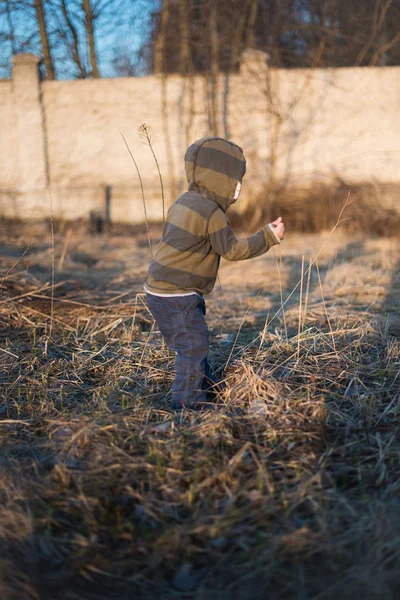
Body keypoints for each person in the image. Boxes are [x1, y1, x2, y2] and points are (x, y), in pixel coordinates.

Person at [144, 136, 285, 409]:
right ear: (224, 179)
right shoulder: (211, 212)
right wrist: (269, 236)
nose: (237, 188)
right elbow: (232, 250)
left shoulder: (183, 201)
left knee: (191, 345)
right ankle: (187, 404)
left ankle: (205, 386)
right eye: (236, 181)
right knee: (193, 347)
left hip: (156, 291)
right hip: (180, 295)